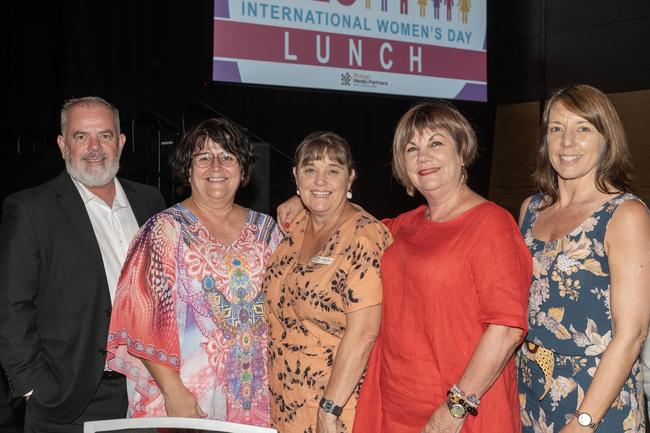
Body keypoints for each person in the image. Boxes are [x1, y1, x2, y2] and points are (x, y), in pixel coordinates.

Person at [278, 102, 532, 433]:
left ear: (463, 152)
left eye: (436, 143)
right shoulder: (402, 227)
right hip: (393, 407)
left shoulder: (492, 224)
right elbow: (349, 220)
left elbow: (507, 329)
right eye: (412, 149)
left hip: (459, 413)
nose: (423, 157)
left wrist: (455, 407)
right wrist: (309, 197)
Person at [0, 96, 166, 433]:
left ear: (120, 143)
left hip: (148, 392)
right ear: (63, 145)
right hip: (69, 399)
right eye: (80, 137)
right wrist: (34, 388)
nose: (94, 147)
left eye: (105, 136)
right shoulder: (31, 209)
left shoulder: (150, 201)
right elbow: (12, 308)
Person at [106, 118, 282, 426]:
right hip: (188, 403)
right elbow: (140, 318)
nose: (216, 166)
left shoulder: (269, 231)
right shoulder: (163, 231)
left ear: (243, 170)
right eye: (203, 158)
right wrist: (173, 390)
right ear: (188, 169)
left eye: (228, 157)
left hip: (260, 401)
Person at [517, 84, 650, 433]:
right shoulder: (531, 209)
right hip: (530, 397)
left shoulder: (625, 214)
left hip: (598, 403)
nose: (567, 142)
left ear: (607, 139)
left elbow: (632, 335)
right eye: (556, 129)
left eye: (583, 129)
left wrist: (583, 422)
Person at [264, 132, 392, 433]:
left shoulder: (366, 236)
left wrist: (329, 411)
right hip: (284, 402)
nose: (320, 181)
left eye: (332, 171)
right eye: (311, 170)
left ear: (350, 179)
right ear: (296, 176)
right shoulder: (292, 225)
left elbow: (363, 335)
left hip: (338, 410)